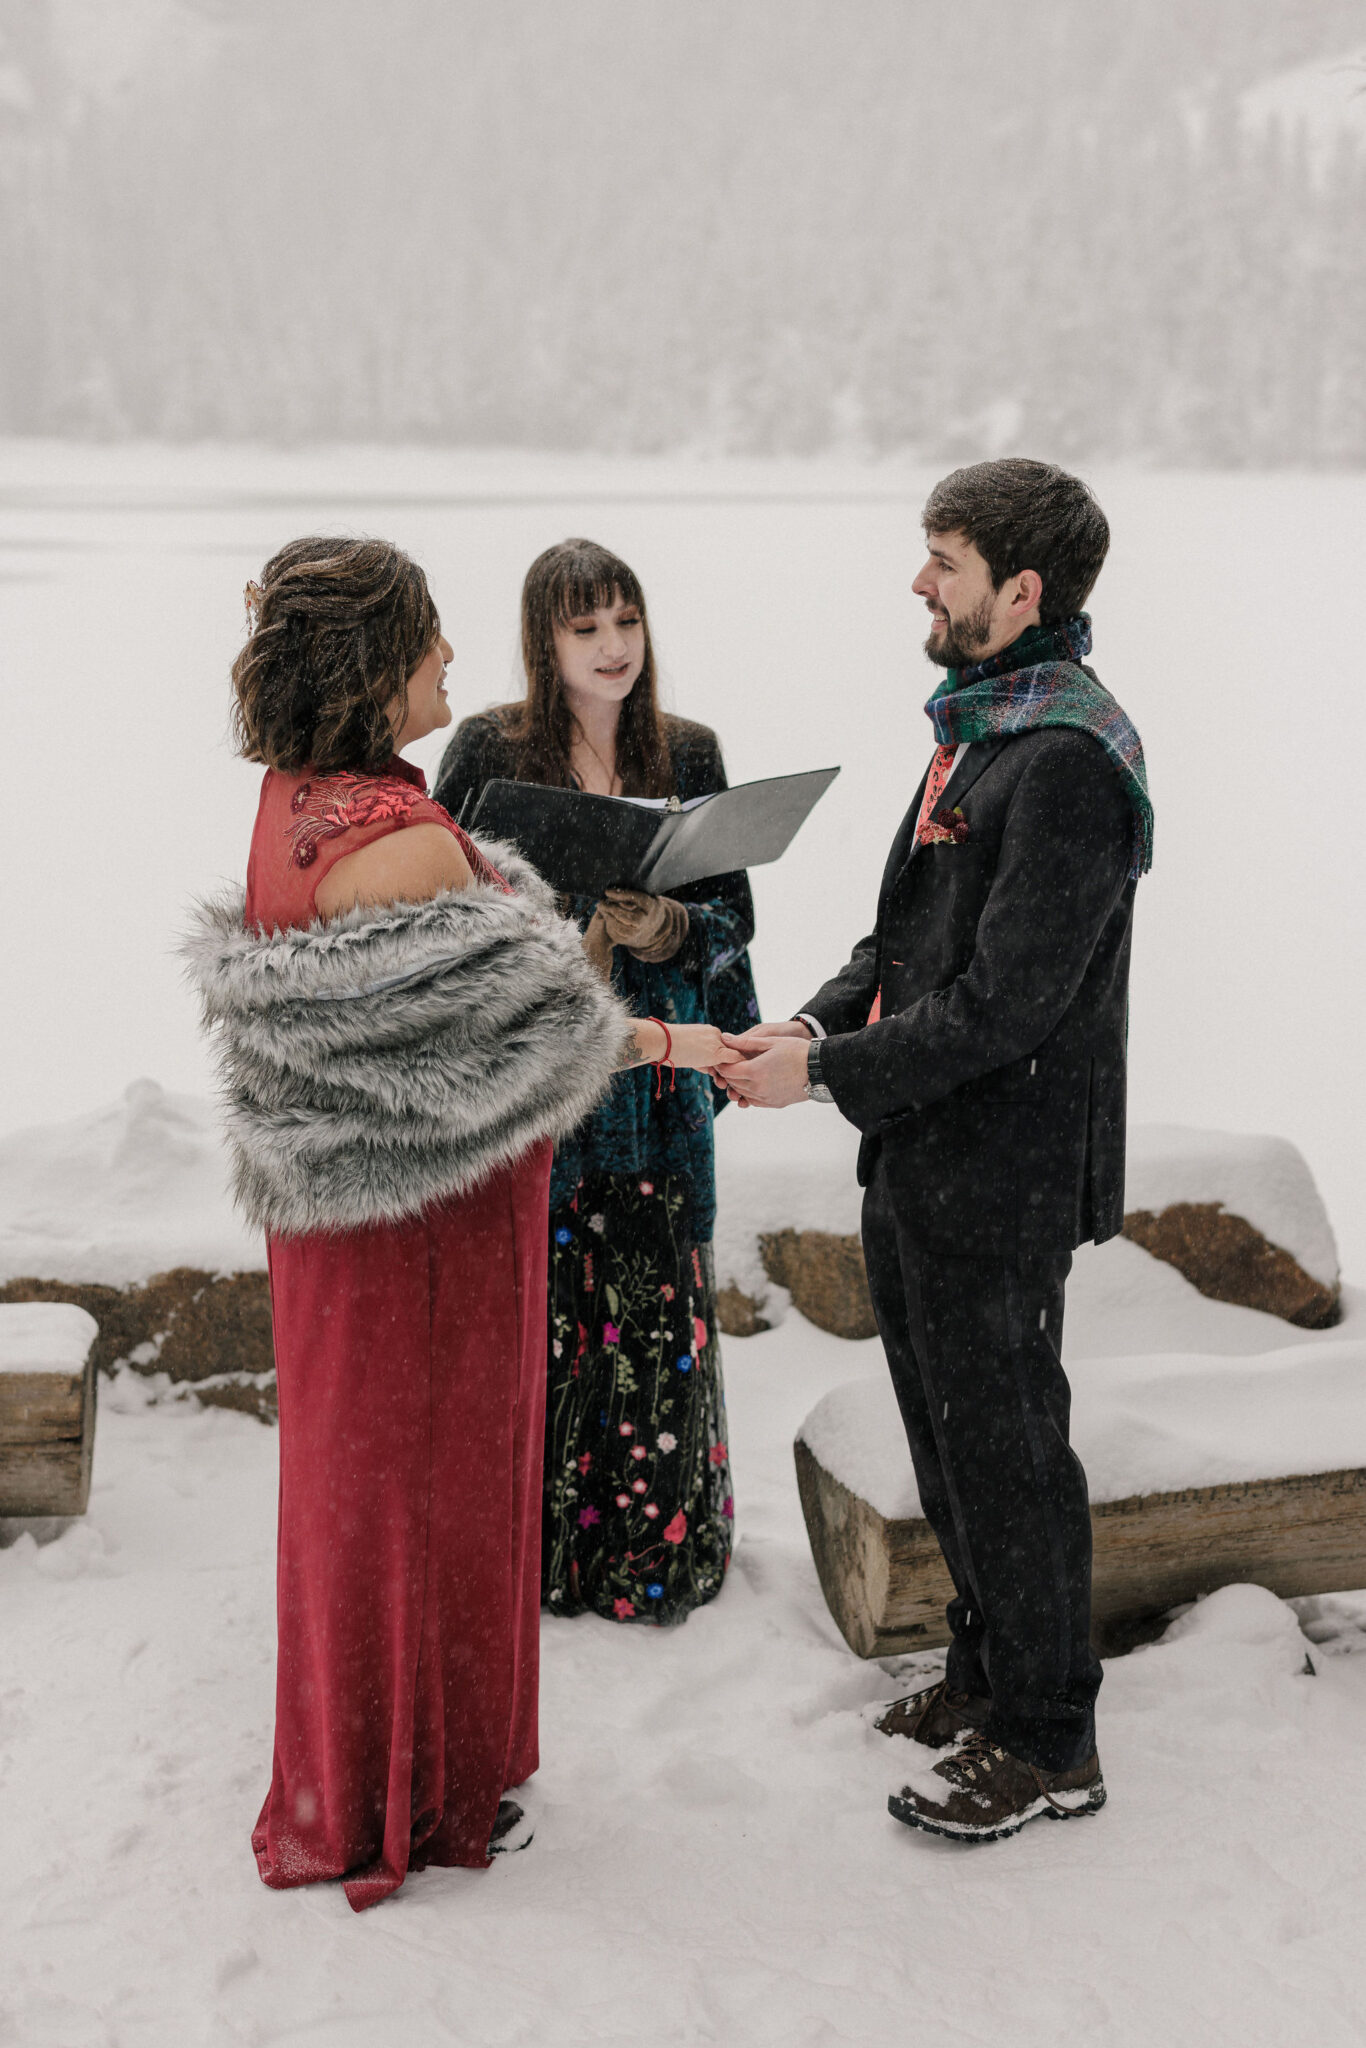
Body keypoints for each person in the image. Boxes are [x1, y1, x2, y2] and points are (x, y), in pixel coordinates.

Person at [183, 537, 725, 1911]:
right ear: (373, 668)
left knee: (355, 1504)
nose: (445, 661)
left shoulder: (298, 799)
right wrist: (687, 1041)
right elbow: (540, 1047)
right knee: (438, 1501)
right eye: (426, 639)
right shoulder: (412, 843)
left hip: (340, 1217)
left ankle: (362, 1766)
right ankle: (419, 1793)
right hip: (435, 1238)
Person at [715, 460, 1152, 1842]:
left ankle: (1048, 1738)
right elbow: (905, 947)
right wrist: (813, 1016)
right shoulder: (980, 725)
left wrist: (823, 1074)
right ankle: (982, 1674)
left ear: (1021, 593)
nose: (919, 581)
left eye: (943, 560)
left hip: (1005, 1170)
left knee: (1013, 1454)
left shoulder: (1070, 763)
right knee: (946, 1438)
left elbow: (1007, 1004)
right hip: (921, 1154)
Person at [434, 538, 759, 1627]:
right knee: (542, 1315)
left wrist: (673, 923)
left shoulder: (690, 749)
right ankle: (536, 1561)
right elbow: (438, 905)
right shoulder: (489, 745)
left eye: (626, 622)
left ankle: (653, 1561)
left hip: (657, 1088)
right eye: (586, 629)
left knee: (655, 1312)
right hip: (544, 1081)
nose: (614, 647)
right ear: (544, 640)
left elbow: (736, 922)